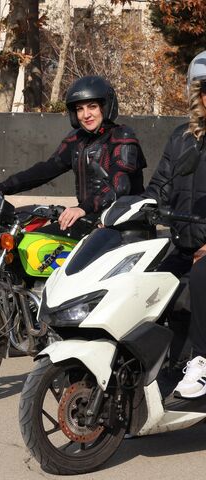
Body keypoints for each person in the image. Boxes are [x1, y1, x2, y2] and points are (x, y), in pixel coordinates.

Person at [0, 76, 147, 232]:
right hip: (90, 219)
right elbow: (45, 170)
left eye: (92, 107)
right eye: (80, 109)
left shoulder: (122, 137)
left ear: (105, 107)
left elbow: (119, 186)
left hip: (124, 224)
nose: (86, 115)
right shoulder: (77, 140)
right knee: (30, 242)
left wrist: (82, 209)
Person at [144, 51, 206, 399]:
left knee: (201, 276)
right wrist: (135, 207)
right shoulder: (181, 138)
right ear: (196, 93)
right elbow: (159, 187)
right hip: (184, 243)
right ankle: (154, 363)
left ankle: (202, 361)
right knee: (144, 282)